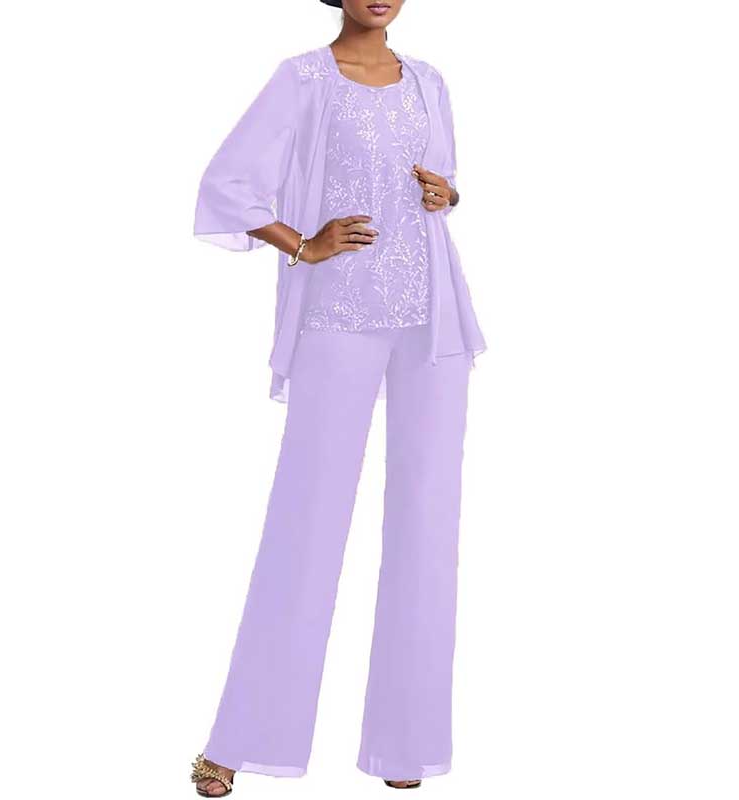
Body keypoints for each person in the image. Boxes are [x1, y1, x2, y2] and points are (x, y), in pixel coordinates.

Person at [189, 0, 487, 794]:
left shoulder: (428, 80)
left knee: (428, 525)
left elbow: (442, 186)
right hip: (340, 314)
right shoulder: (304, 80)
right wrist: (302, 243)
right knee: (308, 520)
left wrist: (445, 196)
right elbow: (227, 184)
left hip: (433, 320)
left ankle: (405, 746)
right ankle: (238, 742)